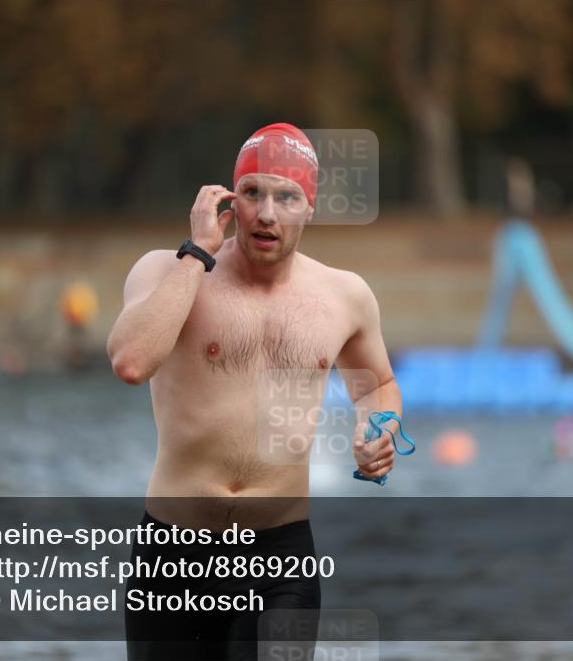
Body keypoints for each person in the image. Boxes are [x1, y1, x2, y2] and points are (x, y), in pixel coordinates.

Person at [106, 123, 403, 660]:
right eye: (252, 194)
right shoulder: (167, 271)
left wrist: (377, 429)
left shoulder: (345, 296)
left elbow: (377, 385)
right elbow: (131, 362)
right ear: (228, 200)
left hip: (280, 562)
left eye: (285, 197)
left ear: (310, 206)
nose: (267, 213)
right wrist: (197, 252)